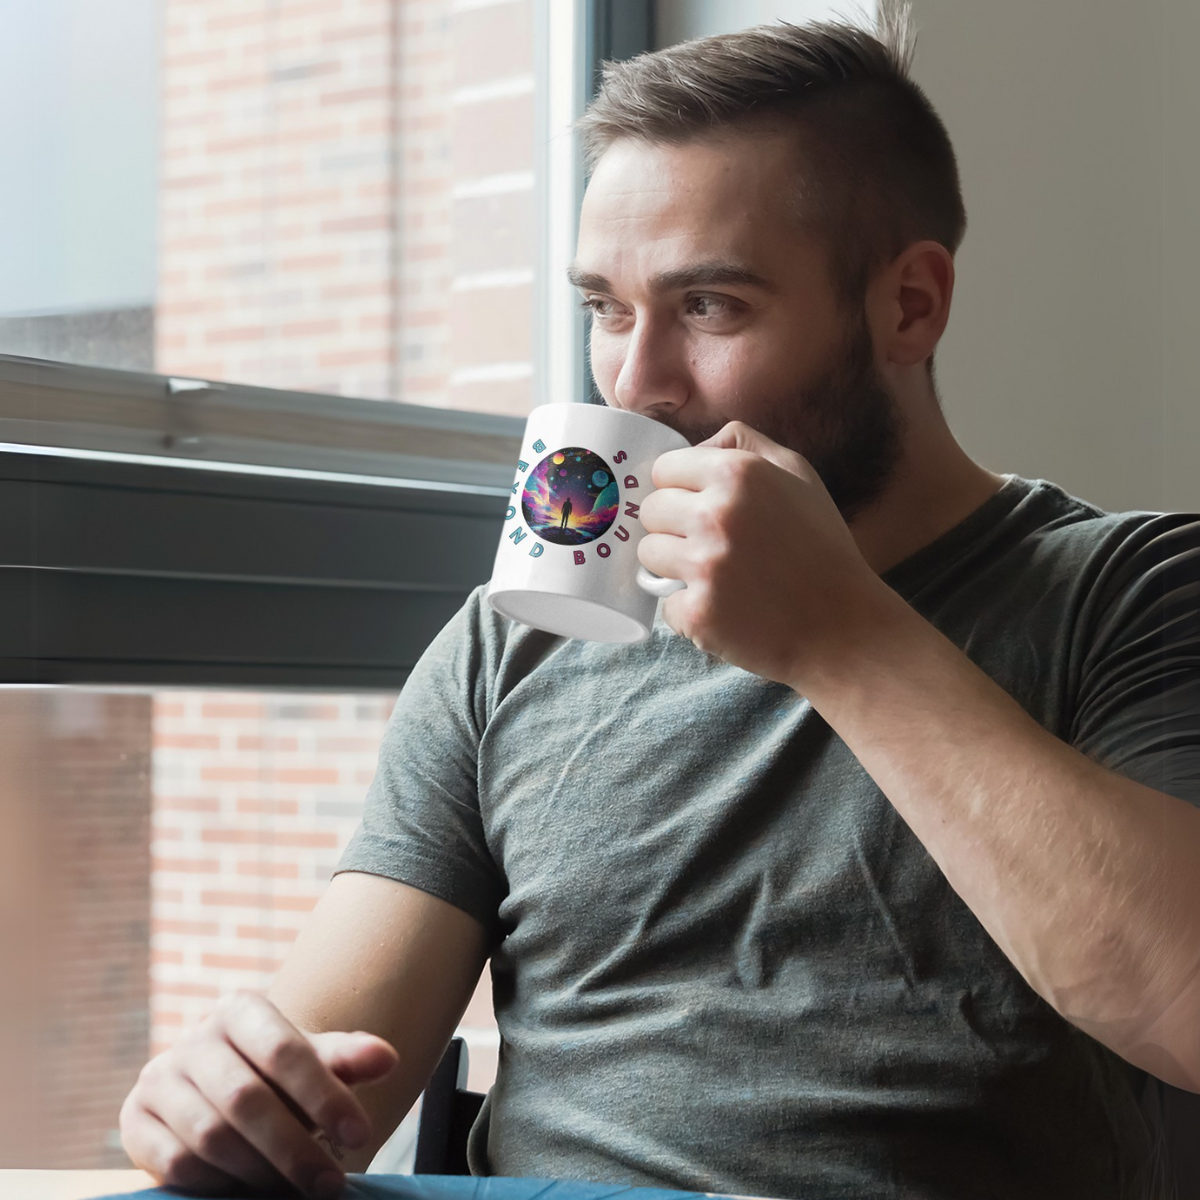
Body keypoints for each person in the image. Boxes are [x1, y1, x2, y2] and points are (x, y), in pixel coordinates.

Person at [119, 7, 1200, 1200]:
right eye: (606, 309)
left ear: (909, 307)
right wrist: (225, 1097)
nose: (637, 382)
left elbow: (1181, 1000)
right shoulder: (509, 640)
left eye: (709, 308)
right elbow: (323, 1097)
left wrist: (842, 636)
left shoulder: (1133, 592)